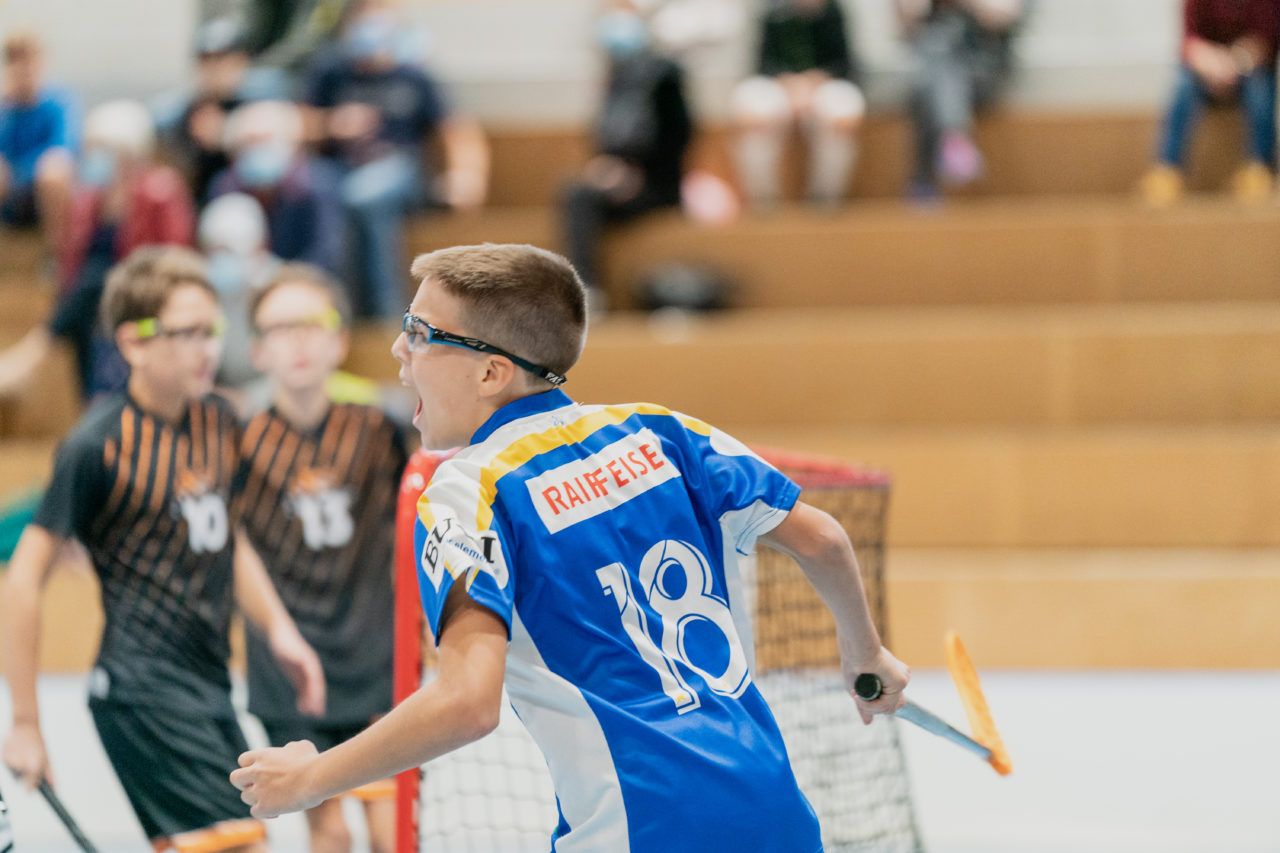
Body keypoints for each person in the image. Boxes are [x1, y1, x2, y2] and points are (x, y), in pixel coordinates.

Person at [230, 243, 910, 851]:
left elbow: (467, 702)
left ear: (492, 373)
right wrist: (864, 651)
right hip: (776, 809)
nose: (399, 352)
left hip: (640, 826)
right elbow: (823, 539)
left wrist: (311, 778)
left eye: (420, 333)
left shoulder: (469, 490)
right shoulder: (660, 430)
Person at [2, 246, 325, 853]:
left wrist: (279, 630)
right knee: (243, 845)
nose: (208, 347)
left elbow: (230, 537)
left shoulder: (220, 423)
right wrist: (24, 723)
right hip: (140, 692)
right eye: (188, 333)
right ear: (133, 343)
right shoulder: (94, 445)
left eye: (213, 331)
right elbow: (23, 582)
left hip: (205, 685)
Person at [237, 263, 408, 853]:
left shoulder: (383, 428)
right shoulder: (236, 438)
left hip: (374, 657)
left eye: (313, 324)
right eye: (280, 328)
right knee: (328, 830)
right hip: (287, 669)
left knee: (392, 830)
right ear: (258, 350)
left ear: (339, 339)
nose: (299, 340)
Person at [302, 0, 490, 319]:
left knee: (366, 195)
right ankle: (330, 305)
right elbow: (298, 122)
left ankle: (387, 315)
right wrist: (332, 123)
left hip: (399, 171)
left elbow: (457, 131)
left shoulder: (414, 78)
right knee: (321, 191)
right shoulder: (331, 72)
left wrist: (467, 176)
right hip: (340, 169)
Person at [0, 99, 194, 403]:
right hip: (94, 305)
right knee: (82, 301)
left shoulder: (160, 190)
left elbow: (173, 257)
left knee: (93, 283)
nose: (94, 156)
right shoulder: (91, 198)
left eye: (102, 148)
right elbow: (73, 259)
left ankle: (31, 357)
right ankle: (91, 405)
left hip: (143, 299)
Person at [561, 0, 693, 304]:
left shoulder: (664, 74)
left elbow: (679, 136)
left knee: (581, 197)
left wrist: (638, 172)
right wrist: (606, 167)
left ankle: (588, 292)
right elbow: (607, 140)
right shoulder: (614, 74)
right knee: (575, 193)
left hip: (657, 185)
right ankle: (585, 288)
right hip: (617, 183)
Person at [1139, 0, 1280, 206]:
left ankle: (1259, 168)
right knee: (1182, 84)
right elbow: (1189, 42)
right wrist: (1211, 63)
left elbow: (1267, 41)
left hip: (1250, 67)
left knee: (1260, 86)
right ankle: (1168, 169)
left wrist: (1234, 63)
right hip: (1208, 71)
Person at [729, 0, 865, 210]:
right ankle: (764, 202)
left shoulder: (834, 13)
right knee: (753, 113)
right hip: (779, 85)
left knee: (842, 115)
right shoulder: (772, 13)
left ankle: (824, 199)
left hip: (824, 85)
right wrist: (790, 84)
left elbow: (844, 63)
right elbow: (762, 63)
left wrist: (814, 82)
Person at [897, 0, 1025, 200]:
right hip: (932, 73)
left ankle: (923, 181)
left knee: (933, 75)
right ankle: (954, 140)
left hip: (985, 68)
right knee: (937, 61)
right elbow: (906, 25)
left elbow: (1003, 16)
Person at [210, 99, 345, 276]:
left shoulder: (318, 187)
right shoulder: (226, 188)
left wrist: (278, 279)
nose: (255, 149)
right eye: (247, 143)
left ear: (292, 143)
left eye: (264, 141)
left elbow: (325, 257)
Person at [0, 31, 77, 256]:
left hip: (46, 193)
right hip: (10, 195)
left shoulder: (59, 102)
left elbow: (64, 150)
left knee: (53, 170)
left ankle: (57, 255)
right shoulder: (6, 108)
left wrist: (23, 171)